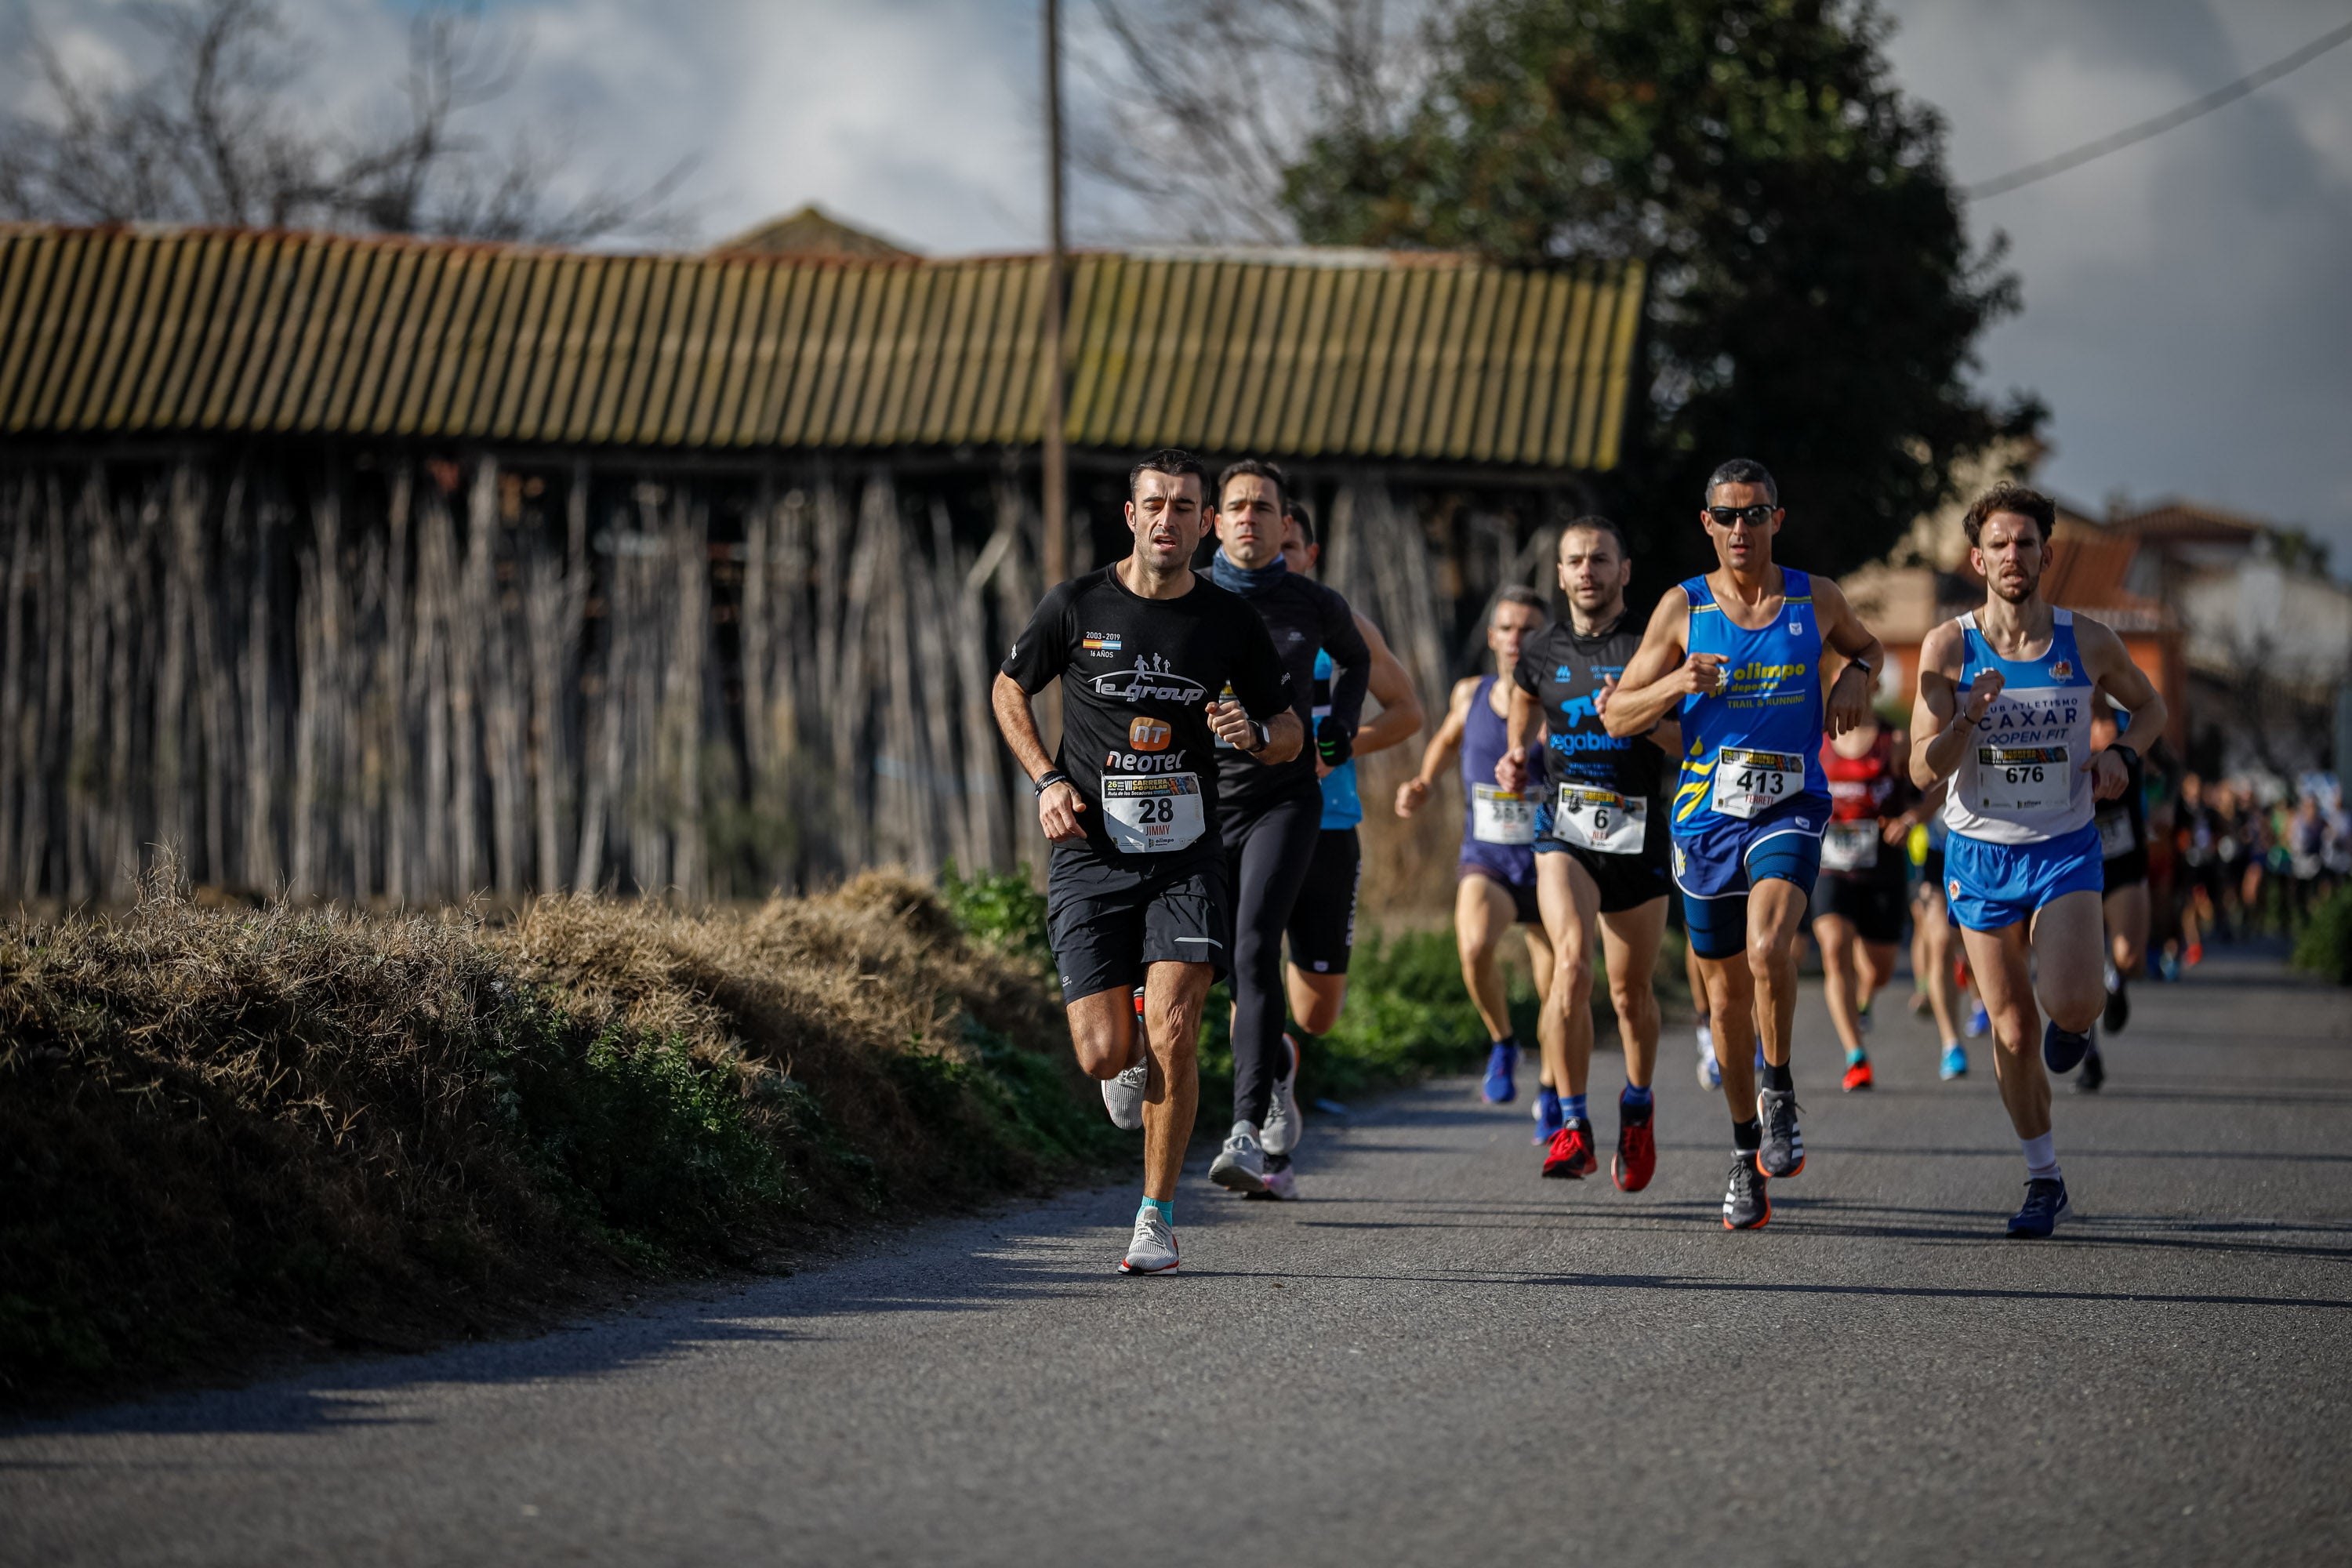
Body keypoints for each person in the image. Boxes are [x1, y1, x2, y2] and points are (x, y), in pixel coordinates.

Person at [992, 448, 1303, 1274]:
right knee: (1104, 1049)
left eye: (1185, 507)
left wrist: (1255, 736)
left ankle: (1155, 1215)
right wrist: (1047, 778)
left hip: (1186, 855)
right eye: (1154, 504)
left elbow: (1289, 731)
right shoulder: (1077, 603)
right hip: (1090, 851)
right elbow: (1007, 688)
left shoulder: (1229, 622)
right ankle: (1121, 1044)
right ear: (1131, 515)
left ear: (1205, 523)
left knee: (1174, 1027)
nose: (1169, 520)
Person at [1605, 457, 1885, 1231]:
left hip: (1789, 806)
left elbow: (1870, 649)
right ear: (1707, 524)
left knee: (1770, 949)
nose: (1741, 528)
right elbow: (1619, 713)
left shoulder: (1813, 596)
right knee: (1725, 1001)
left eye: (1755, 514)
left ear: (1776, 519)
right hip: (1704, 822)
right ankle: (1741, 1149)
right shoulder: (1681, 607)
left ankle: (1782, 1088)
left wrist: (1856, 676)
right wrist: (1676, 684)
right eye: (1727, 516)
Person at [1908, 481, 2167, 1238]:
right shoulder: (1949, 646)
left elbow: (2149, 708)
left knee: (2076, 1006)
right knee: (2013, 1032)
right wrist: (1968, 714)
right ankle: (2043, 1177)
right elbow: (1925, 768)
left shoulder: (2086, 641)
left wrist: (2121, 750)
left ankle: (2079, 1025)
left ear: (2046, 554)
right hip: (1980, 855)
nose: (2014, 556)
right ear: (1977, 559)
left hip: (2063, 850)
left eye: (2026, 543)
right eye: (1999, 545)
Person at [1201, 460, 1370, 1201]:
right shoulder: (1188, 596)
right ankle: (1267, 1072)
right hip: (1199, 801)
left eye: (1262, 508)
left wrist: (1339, 733)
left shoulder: (1313, 602)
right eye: (1235, 506)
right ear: (1215, 520)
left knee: (1252, 951)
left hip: (1286, 798)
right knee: (1202, 961)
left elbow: (1360, 661)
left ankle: (1245, 1123)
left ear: (1282, 523)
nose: (1248, 518)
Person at [1495, 517, 1676, 1185]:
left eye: (1600, 560)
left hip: (1637, 830)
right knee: (1570, 965)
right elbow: (1524, 705)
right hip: (1563, 828)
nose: (1586, 572)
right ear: (1561, 572)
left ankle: (1637, 1103)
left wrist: (1642, 717)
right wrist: (1518, 755)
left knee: (1630, 995)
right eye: (1575, 561)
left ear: (1624, 570)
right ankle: (1573, 1124)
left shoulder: (1653, 646)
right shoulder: (1539, 650)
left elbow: (1692, 745)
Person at [1397, 589, 1559, 1115]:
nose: (1517, 639)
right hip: (1487, 857)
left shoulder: (1560, 700)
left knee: (1558, 986)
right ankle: (1504, 1042)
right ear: (1492, 637)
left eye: (1529, 629)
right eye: (1508, 628)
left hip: (1550, 860)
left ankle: (1554, 1090)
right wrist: (1423, 781)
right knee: (1472, 948)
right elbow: (1446, 739)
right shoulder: (1470, 694)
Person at [1276, 503, 1425, 1060]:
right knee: (1247, 965)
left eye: (1288, 548)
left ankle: (1283, 1057)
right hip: (1245, 818)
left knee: (1317, 1014)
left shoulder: (1340, 624)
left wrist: (1340, 746)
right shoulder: (1223, 616)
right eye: (1267, 544)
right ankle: (1260, 1082)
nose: (1275, 557)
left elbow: (1407, 711)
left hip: (1328, 822)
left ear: (1311, 557)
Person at [1809, 713, 1925, 1092]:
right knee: (1834, 948)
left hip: (1882, 871)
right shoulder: (1816, 736)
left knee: (1880, 970)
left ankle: (1864, 999)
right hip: (1830, 869)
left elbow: (1933, 787)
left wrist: (1910, 818)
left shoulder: (1895, 741)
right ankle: (1855, 1055)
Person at [2085, 695, 2151, 1094]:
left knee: (2128, 955)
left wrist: (2162, 805)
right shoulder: (2060, 722)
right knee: (2081, 966)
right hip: (2078, 858)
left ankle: (2117, 981)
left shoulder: (2132, 725)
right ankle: (2090, 1058)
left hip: (2125, 859)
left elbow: (2172, 768)